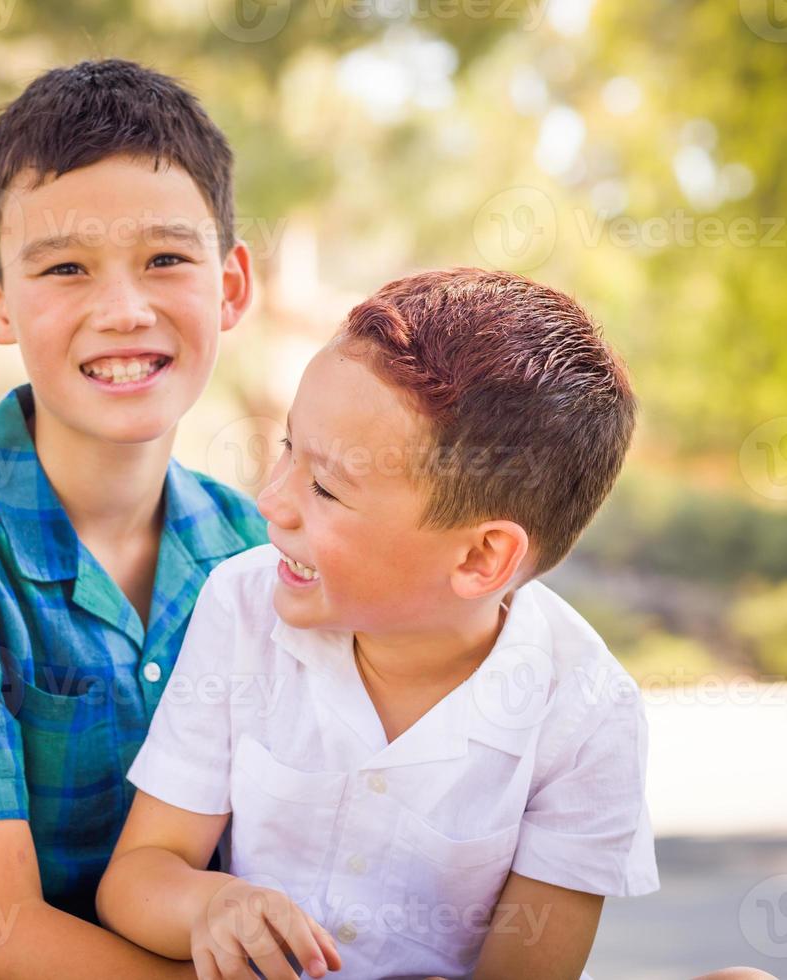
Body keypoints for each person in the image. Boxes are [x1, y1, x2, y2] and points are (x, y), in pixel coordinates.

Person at [95, 267, 731, 979]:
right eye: (286, 449)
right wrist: (206, 905)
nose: (271, 502)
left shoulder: (585, 715)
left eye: (327, 487)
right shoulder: (242, 606)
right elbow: (139, 877)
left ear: (483, 557)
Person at [0, 59, 263, 976]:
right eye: (65, 267)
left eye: (166, 259)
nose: (123, 309)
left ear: (230, 286)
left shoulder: (250, 550)